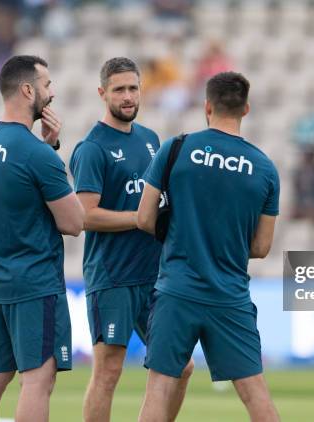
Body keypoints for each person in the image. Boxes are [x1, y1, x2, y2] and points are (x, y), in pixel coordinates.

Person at [137, 71, 281, 422]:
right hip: (229, 295)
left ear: (207, 106)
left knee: (159, 388)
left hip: (177, 290)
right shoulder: (264, 168)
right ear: (246, 108)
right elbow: (262, 246)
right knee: (255, 394)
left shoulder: (176, 148)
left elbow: (143, 218)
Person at [68, 57, 193, 422]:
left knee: (180, 367)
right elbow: (85, 215)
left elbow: (160, 203)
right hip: (113, 277)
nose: (127, 96)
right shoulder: (92, 148)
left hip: (155, 276)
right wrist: (141, 220)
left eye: (133, 88)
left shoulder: (151, 140)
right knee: (108, 372)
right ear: (102, 93)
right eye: (119, 89)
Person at [0, 55, 84, 422]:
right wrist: (52, 153)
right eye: (47, 85)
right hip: (34, 284)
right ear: (28, 89)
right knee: (37, 380)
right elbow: (73, 222)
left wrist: (45, 148)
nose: (52, 93)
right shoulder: (36, 154)